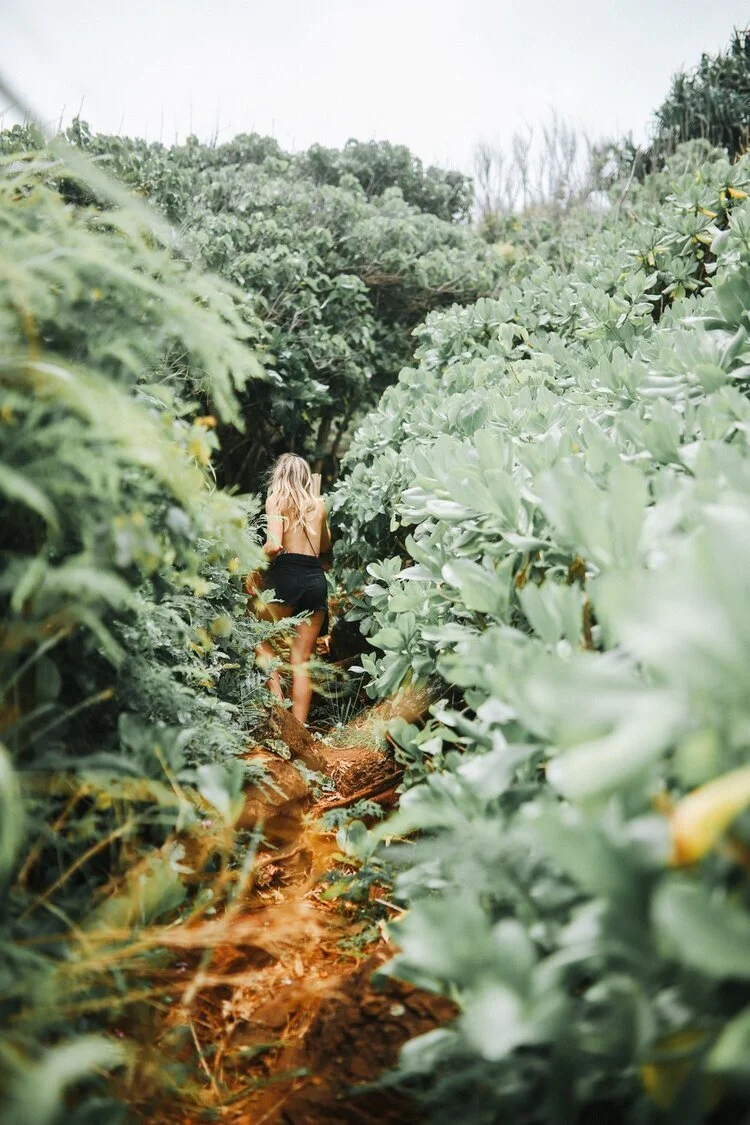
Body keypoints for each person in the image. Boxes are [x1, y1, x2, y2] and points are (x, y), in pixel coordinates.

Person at [251, 453, 332, 725]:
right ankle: (299, 730)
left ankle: (277, 701)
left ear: (280, 475)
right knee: (301, 661)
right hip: (314, 580)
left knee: (254, 633)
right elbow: (324, 548)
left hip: (286, 576)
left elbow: (274, 545)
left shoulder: (276, 500)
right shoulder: (318, 505)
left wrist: (252, 563)